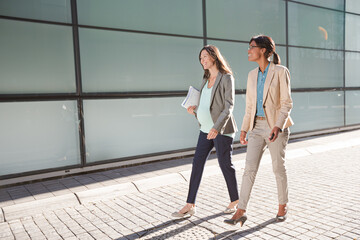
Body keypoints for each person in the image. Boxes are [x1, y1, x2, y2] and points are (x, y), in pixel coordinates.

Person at [224, 35, 294, 226]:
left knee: (278, 167)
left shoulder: (280, 71)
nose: (248, 50)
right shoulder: (251, 75)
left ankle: (283, 205)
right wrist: (245, 129)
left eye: (251, 47)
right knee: (249, 170)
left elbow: (286, 103)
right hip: (256, 126)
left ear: (263, 50)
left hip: (275, 126)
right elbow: (249, 105)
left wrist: (277, 126)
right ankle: (241, 210)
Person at [171, 45, 239, 218]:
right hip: (204, 130)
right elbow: (206, 104)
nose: (202, 61)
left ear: (214, 57)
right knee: (197, 164)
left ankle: (236, 201)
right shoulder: (205, 78)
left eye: (205, 57)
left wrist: (216, 128)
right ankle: (190, 204)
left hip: (221, 130)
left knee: (225, 165)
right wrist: (194, 110)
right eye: (200, 58)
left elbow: (228, 106)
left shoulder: (226, 78)